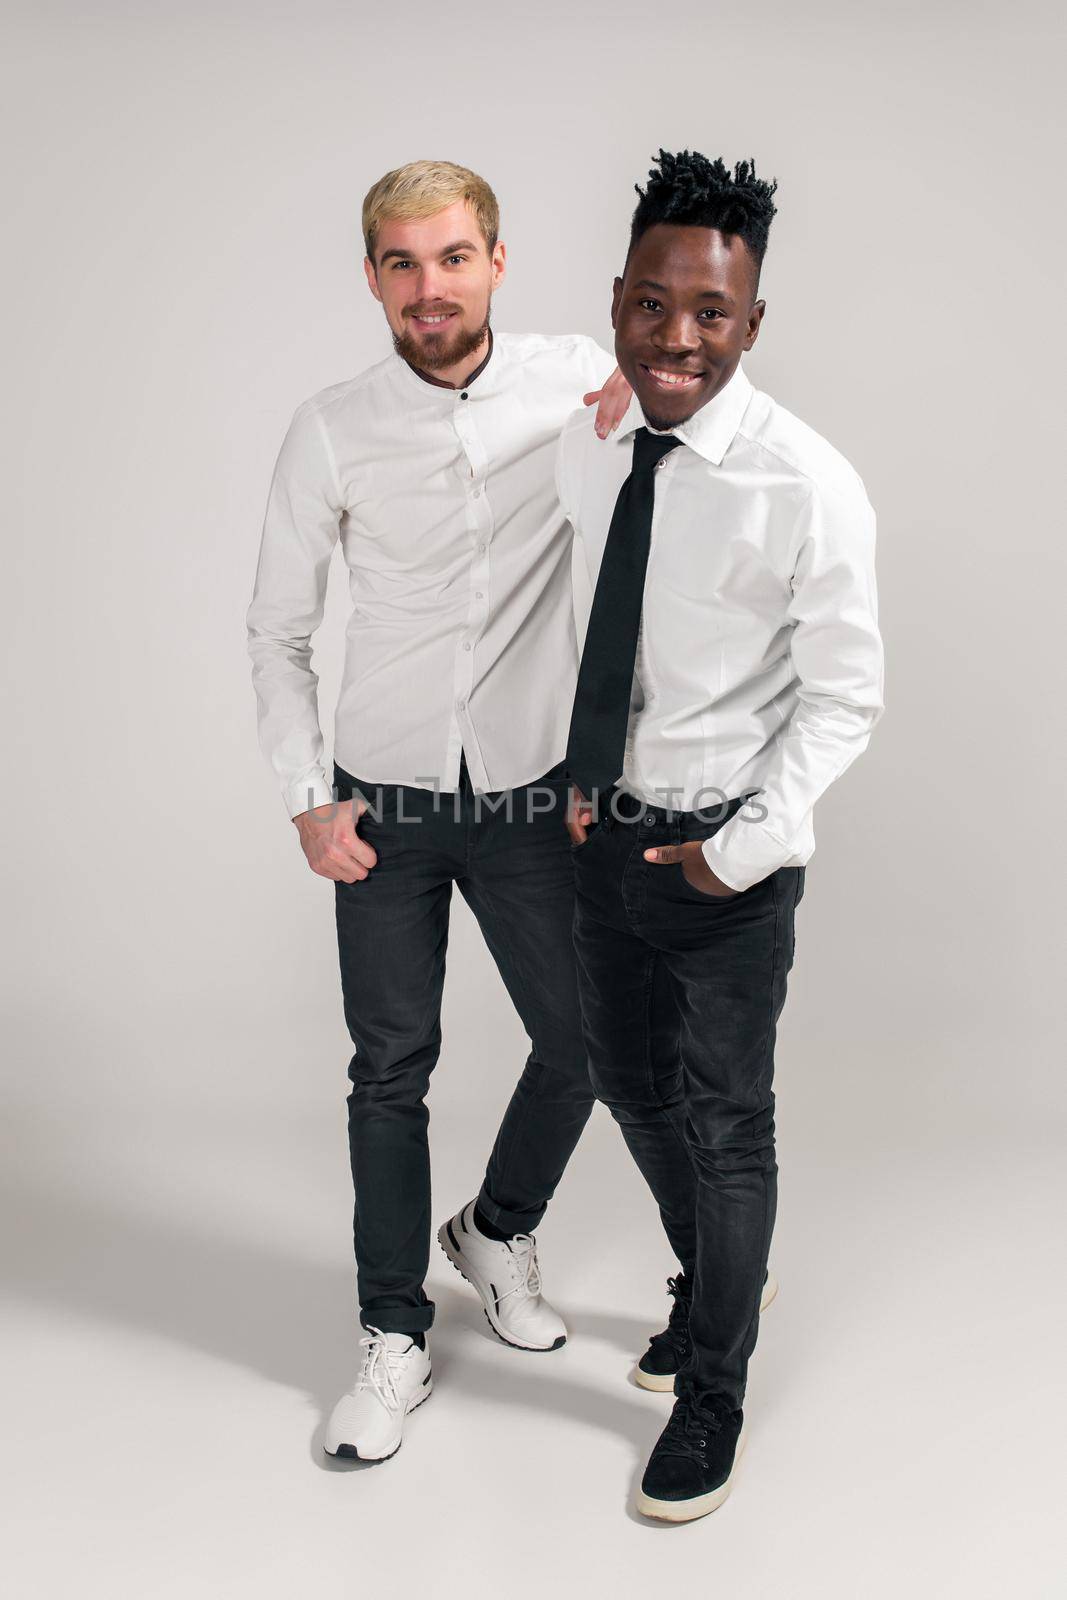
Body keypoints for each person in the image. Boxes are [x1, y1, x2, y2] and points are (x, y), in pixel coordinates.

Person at [246, 159, 631, 1464]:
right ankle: (391, 1336)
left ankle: (498, 1229)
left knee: (589, 1045)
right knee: (387, 1075)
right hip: (383, 807)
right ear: (372, 277)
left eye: (452, 257)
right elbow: (278, 629)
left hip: (529, 799)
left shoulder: (577, 378)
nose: (429, 286)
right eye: (402, 263)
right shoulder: (333, 426)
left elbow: (690, 436)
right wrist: (309, 800)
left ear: (497, 262)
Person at [559, 149, 885, 1521]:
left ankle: (715, 1396)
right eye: (651, 306)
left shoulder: (804, 483)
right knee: (630, 1086)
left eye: (710, 314)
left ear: (753, 322)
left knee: (727, 1123)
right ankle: (706, 1298)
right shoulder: (596, 428)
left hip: (720, 862)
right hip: (595, 837)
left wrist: (733, 850)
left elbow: (846, 698)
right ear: (619, 303)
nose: (676, 338)